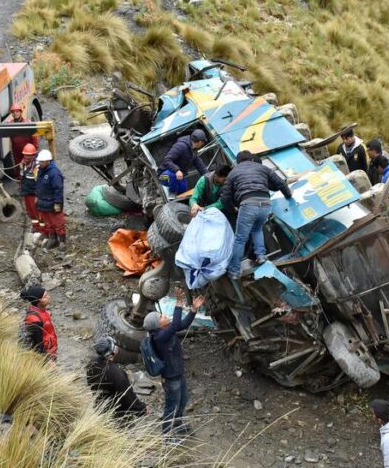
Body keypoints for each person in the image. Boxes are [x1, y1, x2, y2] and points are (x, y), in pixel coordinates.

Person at [220, 150, 293, 279]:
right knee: (257, 230)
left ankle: (235, 271)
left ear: (237, 162)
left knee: (240, 238)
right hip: (265, 204)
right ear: (252, 159)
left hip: (248, 204)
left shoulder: (233, 172)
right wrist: (289, 195)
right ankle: (261, 256)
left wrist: (233, 209)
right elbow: (280, 183)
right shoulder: (262, 168)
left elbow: (225, 197)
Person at [143, 289, 205, 437]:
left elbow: (182, 324)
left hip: (178, 374)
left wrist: (194, 309)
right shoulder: (160, 337)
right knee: (171, 406)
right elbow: (176, 324)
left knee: (183, 400)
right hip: (171, 379)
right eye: (161, 316)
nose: (165, 316)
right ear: (157, 325)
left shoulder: (166, 331)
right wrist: (178, 303)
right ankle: (166, 436)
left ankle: (177, 424)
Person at [86, 336, 147, 421]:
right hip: (118, 415)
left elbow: (90, 383)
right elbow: (128, 396)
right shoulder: (117, 373)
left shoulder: (92, 363)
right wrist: (142, 409)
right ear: (113, 351)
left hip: (100, 408)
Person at [158, 129, 208, 195]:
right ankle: (171, 197)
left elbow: (200, 166)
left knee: (184, 187)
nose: (203, 144)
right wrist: (177, 170)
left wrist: (209, 177)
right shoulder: (180, 146)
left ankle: (180, 201)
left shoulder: (193, 151)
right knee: (171, 175)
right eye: (203, 142)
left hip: (177, 177)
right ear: (200, 142)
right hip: (162, 176)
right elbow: (166, 160)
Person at [35, 149, 67, 250]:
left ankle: (62, 241)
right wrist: (37, 196)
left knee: (58, 222)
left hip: (52, 202)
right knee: (48, 222)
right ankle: (53, 239)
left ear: (48, 161)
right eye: (40, 161)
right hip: (43, 202)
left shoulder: (54, 173)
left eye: (42, 162)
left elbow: (58, 189)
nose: (40, 163)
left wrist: (58, 203)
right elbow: (39, 185)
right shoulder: (40, 170)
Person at [20, 285, 58, 361]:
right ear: (38, 301)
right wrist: (48, 362)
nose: (48, 297)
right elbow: (38, 345)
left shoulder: (44, 312)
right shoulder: (34, 320)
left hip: (51, 353)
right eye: (45, 296)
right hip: (44, 359)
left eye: (47, 294)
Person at [8, 103, 38, 180]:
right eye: (13, 112)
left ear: (21, 112)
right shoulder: (10, 125)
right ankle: (20, 183)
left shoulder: (27, 123)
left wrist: (34, 149)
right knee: (19, 168)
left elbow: (34, 137)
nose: (15, 114)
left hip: (28, 151)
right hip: (17, 151)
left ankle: (32, 182)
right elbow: (11, 138)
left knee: (30, 168)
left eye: (17, 111)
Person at [19, 143, 41, 235]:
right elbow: (21, 177)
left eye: (28, 155)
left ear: (33, 155)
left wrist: (38, 196)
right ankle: (35, 226)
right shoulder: (23, 163)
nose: (26, 157)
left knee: (37, 212)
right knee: (30, 212)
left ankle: (42, 229)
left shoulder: (37, 166)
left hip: (33, 193)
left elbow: (40, 183)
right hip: (27, 192)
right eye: (25, 155)